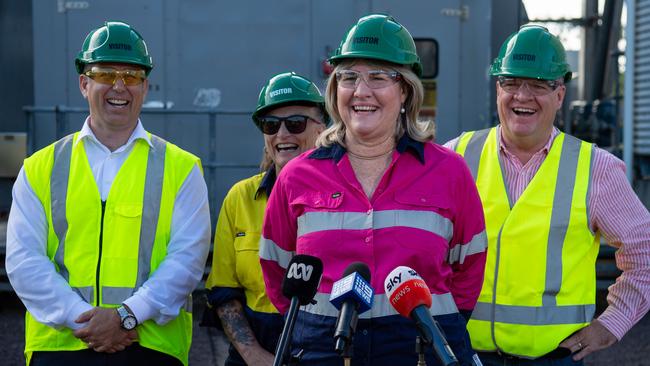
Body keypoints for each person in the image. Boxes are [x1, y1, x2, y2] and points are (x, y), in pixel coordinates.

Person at [260, 14, 487, 365]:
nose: (361, 91)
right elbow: (277, 269)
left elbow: (469, 267)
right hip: (323, 347)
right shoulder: (297, 176)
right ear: (336, 90)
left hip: (420, 348)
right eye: (349, 77)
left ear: (406, 90)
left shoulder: (449, 171)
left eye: (378, 77)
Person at [5, 21, 211, 366]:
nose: (119, 86)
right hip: (61, 349)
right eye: (105, 74)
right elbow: (24, 261)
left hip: (150, 348)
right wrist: (84, 320)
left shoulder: (182, 168)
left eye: (131, 77)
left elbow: (187, 260)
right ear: (84, 84)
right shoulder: (39, 167)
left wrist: (126, 317)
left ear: (145, 87)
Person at [445, 24, 650, 365]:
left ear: (559, 95)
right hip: (465, 354)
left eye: (538, 84)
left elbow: (644, 252)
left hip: (554, 359)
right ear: (498, 89)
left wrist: (610, 325)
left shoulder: (595, 168)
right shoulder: (457, 157)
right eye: (511, 83)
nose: (522, 96)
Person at [203, 72, 327, 366]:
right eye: (271, 125)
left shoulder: (345, 200)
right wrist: (254, 355)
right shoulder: (240, 198)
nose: (282, 134)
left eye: (295, 123)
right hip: (253, 353)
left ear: (322, 127)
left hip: (323, 349)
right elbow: (223, 290)